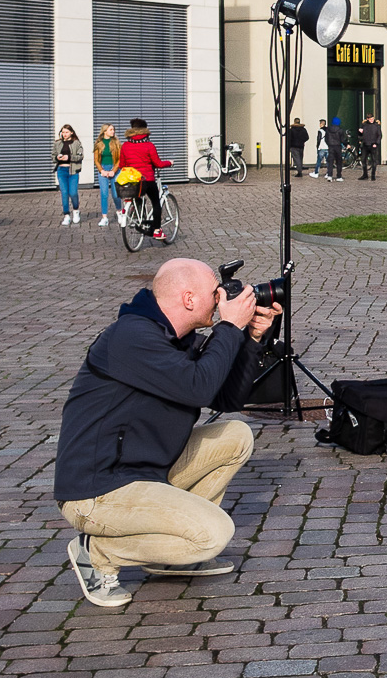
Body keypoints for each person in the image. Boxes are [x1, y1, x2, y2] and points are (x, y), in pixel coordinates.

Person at [54, 258, 282, 607]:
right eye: (214, 293)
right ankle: (98, 550)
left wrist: (250, 338)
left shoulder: (177, 338)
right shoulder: (131, 338)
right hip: (97, 490)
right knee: (214, 535)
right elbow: (197, 389)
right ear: (189, 299)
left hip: (145, 473)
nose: (221, 299)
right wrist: (229, 328)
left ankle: (169, 555)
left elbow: (226, 398)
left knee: (235, 435)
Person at [117, 120, 172, 240]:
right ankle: (157, 230)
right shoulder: (149, 145)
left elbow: (122, 165)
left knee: (137, 195)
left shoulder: (125, 146)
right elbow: (157, 163)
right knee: (156, 203)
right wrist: (169, 163)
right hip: (147, 179)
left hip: (133, 181)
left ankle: (138, 215)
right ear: (145, 130)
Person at [55, 124, 84, 226]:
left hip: (73, 171)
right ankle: (66, 215)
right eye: (63, 132)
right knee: (64, 193)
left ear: (71, 132)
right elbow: (53, 155)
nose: (64, 134)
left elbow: (80, 156)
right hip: (61, 170)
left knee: (73, 193)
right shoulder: (58, 143)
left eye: (66, 132)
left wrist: (69, 157)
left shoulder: (76, 143)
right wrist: (57, 157)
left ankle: (76, 211)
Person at [94, 123, 121, 226]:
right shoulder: (98, 143)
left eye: (113, 130)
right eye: (110, 130)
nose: (113, 131)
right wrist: (102, 171)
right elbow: (96, 160)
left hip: (115, 169)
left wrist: (113, 170)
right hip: (103, 170)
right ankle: (104, 217)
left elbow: (119, 159)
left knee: (115, 194)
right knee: (104, 194)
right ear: (105, 131)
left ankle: (119, 212)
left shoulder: (117, 143)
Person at [359, 115, 382, 180]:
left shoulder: (376, 126)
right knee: (363, 160)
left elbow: (379, 135)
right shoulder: (364, 125)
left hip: (373, 145)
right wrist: (360, 134)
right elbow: (360, 134)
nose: (371, 120)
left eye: (372, 118)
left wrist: (376, 143)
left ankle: (373, 175)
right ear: (367, 119)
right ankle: (365, 174)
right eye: (370, 119)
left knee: (374, 160)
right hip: (365, 145)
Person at [324, 116, 345, 181]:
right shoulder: (340, 130)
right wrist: (346, 144)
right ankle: (339, 176)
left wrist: (329, 144)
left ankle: (329, 175)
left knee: (330, 162)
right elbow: (342, 139)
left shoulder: (328, 130)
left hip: (331, 146)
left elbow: (326, 139)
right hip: (338, 146)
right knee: (339, 162)